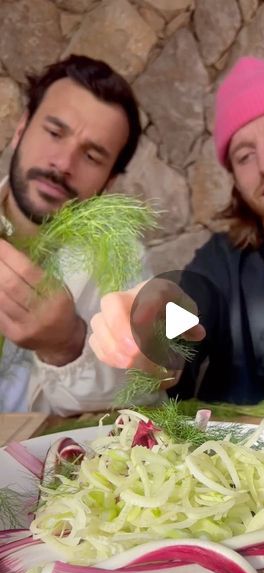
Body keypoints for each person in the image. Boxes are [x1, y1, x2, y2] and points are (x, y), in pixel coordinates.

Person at [89, 56, 264, 416]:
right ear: (236, 180)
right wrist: (154, 326)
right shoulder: (223, 263)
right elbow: (189, 303)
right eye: (244, 156)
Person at [0, 54, 146, 415]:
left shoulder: (125, 261)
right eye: (54, 133)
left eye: (93, 156)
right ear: (21, 130)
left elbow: (143, 390)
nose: (63, 165)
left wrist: (67, 344)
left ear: (109, 181)